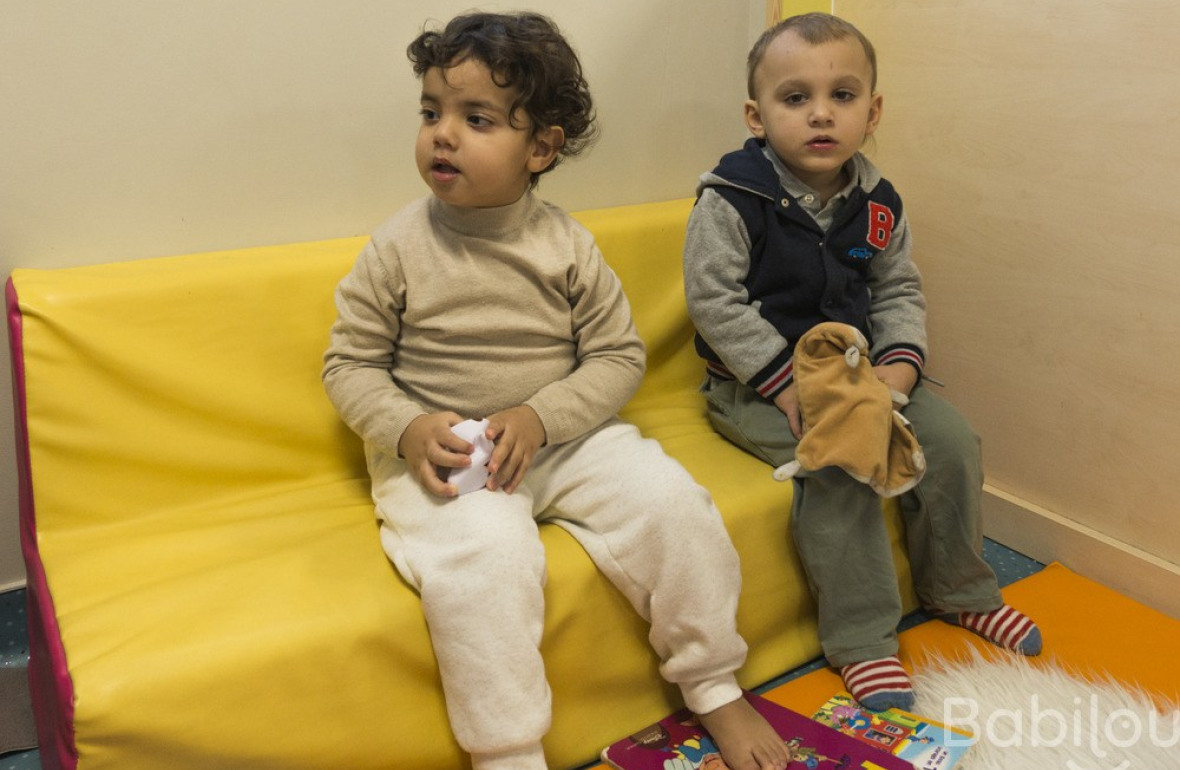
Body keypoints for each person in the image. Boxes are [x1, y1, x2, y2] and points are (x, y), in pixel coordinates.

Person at [322, 12, 789, 770]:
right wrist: (407, 429)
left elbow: (615, 356)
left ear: (540, 147)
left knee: (677, 507)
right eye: (431, 112)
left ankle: (711, 682)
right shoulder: (397, 247)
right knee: (489, 559)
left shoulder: (566, 245)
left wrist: (541, 418)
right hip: (448, 453)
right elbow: (348, 366)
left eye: (475, 119)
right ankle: (507, 751)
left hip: (561, 438)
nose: (443, 134)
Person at [682, 12, 1041, 712]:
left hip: (860, 374)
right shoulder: (731, 198)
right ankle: (863, 641)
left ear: (871, 112)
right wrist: (786, 385)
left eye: (842, 97)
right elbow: (714, 304)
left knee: (954, 442)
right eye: (795, 99)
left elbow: (897, 288)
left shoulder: (877, 202)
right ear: (757, 116)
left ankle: (961, 591)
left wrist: (899, 372)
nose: (821, 114)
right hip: (756, 387)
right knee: (842, 464)